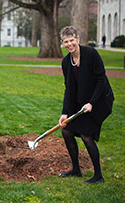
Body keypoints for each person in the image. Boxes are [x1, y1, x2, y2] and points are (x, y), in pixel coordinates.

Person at [58, 26, 114, 184]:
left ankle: (98, 175)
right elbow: (69, 89)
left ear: (78, 40)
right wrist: (65, 112)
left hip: (100, 100)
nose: (69, 44)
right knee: (67, 131)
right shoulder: (66, 62)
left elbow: (101, 80)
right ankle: (76, 170)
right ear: (62, 43)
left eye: (72, 40)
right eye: (66, 41)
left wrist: (91, 103)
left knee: (86, 134)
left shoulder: (90, 54)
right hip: (82, 102)